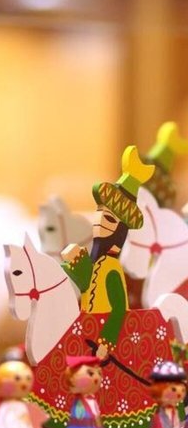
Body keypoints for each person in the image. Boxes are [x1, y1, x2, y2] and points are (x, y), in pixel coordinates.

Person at [61, 146, 154, 360]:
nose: (100, 221)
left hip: (104, 343)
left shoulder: (111, 269)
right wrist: (73, 262)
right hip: (88, 329)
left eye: (109, 218)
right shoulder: (97, 262)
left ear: (120, 230)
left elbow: (119, 309)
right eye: (99, 213)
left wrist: (107, 341)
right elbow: (86, 284)